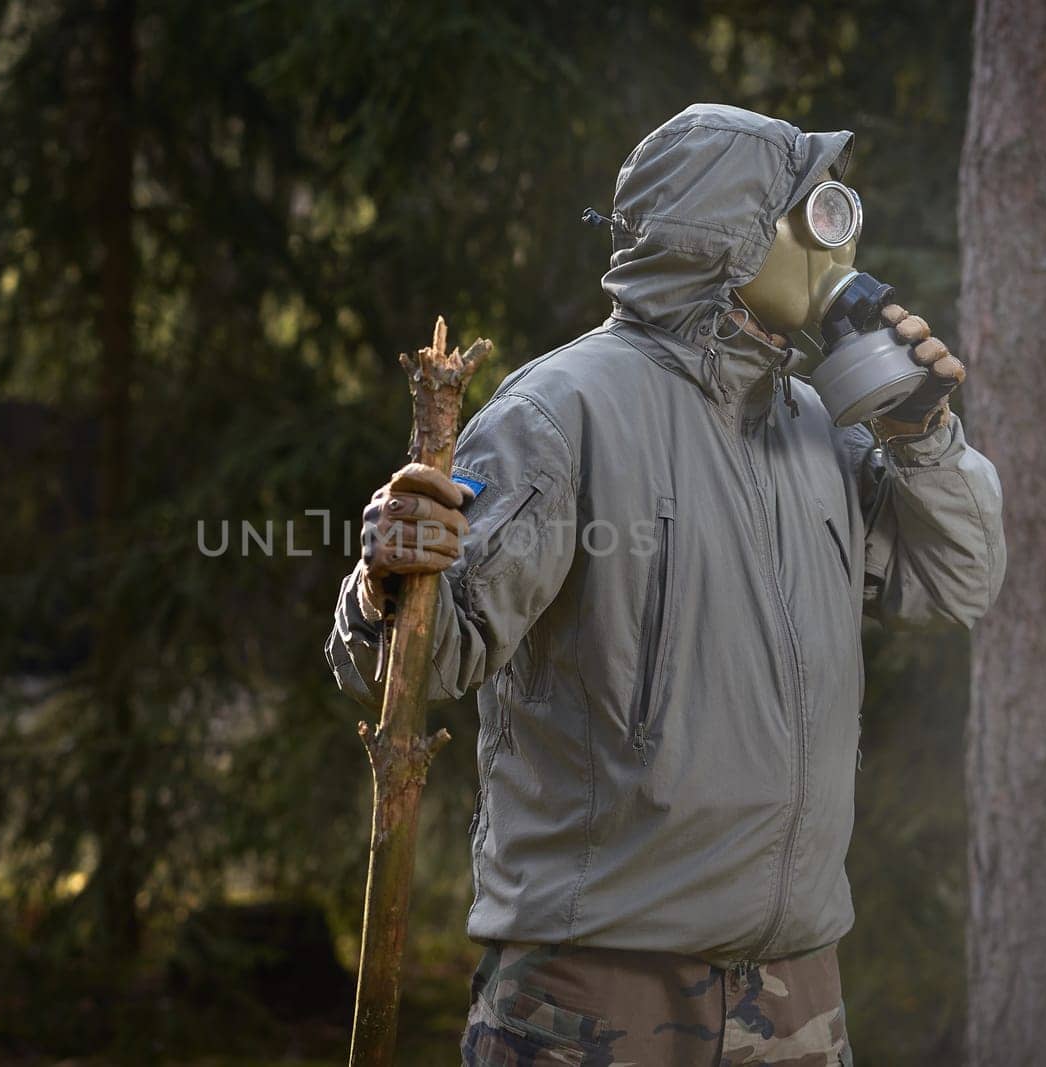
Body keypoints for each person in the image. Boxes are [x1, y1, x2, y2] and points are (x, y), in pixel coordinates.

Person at [325, 103, 1005, 1066]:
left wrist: (922, 433)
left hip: (795, 992)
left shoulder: (815, 423)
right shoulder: (563, 413)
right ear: (729, 237)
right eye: (814, 210)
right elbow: (424, 657)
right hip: (595, 996)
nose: (840, 234)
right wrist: (383, 577)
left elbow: (958, 581)